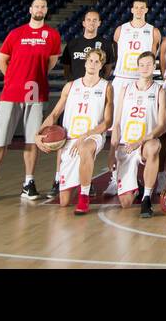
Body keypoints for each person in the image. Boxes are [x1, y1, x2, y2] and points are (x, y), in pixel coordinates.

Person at [0, 0, 61, 202]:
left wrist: (34, 78)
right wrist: (14, 79)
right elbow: (1, 61)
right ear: (30, 9)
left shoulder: (52, 35)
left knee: (32, 140)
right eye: (36, 6)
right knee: (0, 141)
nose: (39, 9)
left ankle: (28, 183)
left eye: (43, 6)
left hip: (36, 92)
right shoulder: (16, 33)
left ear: (46, 10)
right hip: (11, 93)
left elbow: (51, 62)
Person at [48, 9, 115, 200]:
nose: (92, 23)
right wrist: (76, 84)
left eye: (95, 20)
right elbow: (67, 68)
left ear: (99, 23)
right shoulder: (74, 43)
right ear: (83, 23)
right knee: (64, 136)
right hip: (75, 93)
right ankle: (58, 179)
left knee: (88, 143)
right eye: (89, 20)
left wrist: (95, 83)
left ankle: (88, 181)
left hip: (95, 93)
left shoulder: (105, 44)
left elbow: (108, 68)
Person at [38, 49, 113, 215]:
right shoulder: (71, 86)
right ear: (85, 63)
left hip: (92, 135)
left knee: (85, 148)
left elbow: (107, 122)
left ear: (101, 65)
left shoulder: (106, 87)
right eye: (90, 60)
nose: (93, 64)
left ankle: (84, 196)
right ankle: (77, 183)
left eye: (97, 62)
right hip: (70, 138)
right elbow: (54, 114)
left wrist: (85, 136)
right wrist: (38, 134)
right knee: (63, 202)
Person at [105, 0, 162, 196]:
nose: (138, 10)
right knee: (117, 128)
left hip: (144, 79)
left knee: (151, 125)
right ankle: (115, 178)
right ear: (132, 9)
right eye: (136, 7)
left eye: (142, 7)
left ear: (147, 9)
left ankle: (156, 175)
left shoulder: (153, 31)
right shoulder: (120, 30)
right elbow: (113, 55)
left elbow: (153, 56)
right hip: (122, 79)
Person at [111, 51, 166, 218]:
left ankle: (146, 198)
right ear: (137, 67)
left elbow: (161, 125)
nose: (145, 68)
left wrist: (140, 141)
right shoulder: (125, 89)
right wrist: (112, 152)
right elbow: (117, 123)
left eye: (149, 64)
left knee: (154, 147)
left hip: (144, 144)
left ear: (154, 67)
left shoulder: (159, 91)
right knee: (126, 203)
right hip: (126, 145)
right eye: (142, 65)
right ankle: (138, 186)